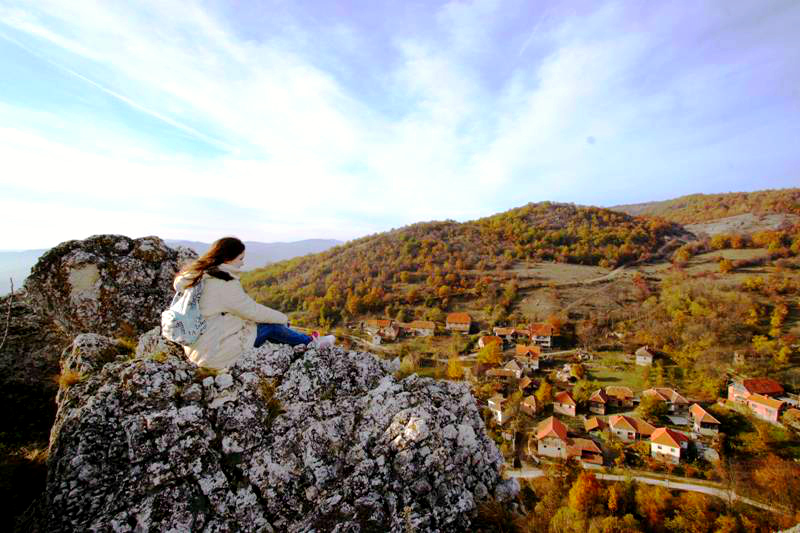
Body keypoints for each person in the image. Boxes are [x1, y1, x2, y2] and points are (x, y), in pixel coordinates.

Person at [172, 236, 334, 369]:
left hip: (198, 346)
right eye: (240, 258)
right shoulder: (222, 283)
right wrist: (283, 318)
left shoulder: (199, 276)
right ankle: (312, 343)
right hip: (214, 353)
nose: (243, 263)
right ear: (228, 259)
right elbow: (251, 310)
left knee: (261, 326)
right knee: (271, 326)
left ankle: (302, 344)